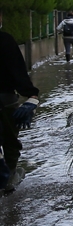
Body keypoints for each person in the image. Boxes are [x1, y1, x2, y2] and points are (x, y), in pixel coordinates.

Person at [0, 12, 40, 191]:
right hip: (5, 101)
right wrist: (32, 96)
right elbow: (18, 72)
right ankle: (9, 179)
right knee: (9, 142)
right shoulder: (5, 40)